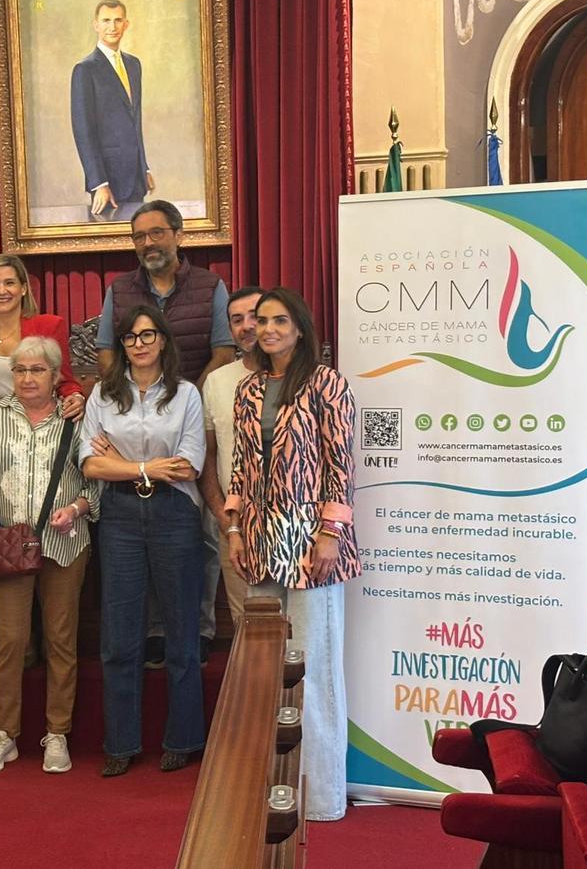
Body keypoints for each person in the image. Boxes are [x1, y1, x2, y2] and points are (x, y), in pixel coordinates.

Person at [224, 287, 360, 822]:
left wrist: (331, 532)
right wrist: (233, 526)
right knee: (268, 668)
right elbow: (239, 464)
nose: (269, 329)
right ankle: (275, 787)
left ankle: (322, 795)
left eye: (280, 320)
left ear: (300, 328)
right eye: (261, 321)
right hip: (258, 540)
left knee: (313, 664)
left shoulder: (328, 384)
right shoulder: (248, 389)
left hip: (310, 542)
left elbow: (341, 466)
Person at [96, 199, 234, 670]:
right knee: (143, 532)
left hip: (195, 414)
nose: (147, 244)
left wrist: (179, 401)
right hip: (134, 420)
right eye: (138, 237)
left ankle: (198, 628)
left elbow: (223, 350)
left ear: (177, 235)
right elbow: (106, 354)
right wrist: (133, 396)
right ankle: (155, 631)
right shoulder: (120, 289)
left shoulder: (210, 286)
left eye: (156, 234)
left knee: (204, 533)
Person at [80, 305, 207, 776]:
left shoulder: (186, 395)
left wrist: (125, 460)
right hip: (119, 515)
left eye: (147, 334)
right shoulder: (103, 396)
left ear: (163, 341)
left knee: (181, 633)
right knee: (119, 636)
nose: (139, 343)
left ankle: (184, 737)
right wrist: (148, 467)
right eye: (130, 337)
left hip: (175, 513)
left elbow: (188, 466)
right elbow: (91, 465)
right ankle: (121, 741)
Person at [0, 336, 98, 775]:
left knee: (61, 639)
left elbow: (94, 481)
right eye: (20, 370)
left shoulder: (77, 417)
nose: (27, 378)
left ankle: (56, 733)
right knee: (11, 642)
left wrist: (77, 508)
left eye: (37, 370)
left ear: (56, 375)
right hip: (9, 545)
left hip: (66, 542)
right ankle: (4, 733)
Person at [198, 286, 265, 641]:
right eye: (237, 320)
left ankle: (294, 700)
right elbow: (208, 456)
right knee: (247, 630)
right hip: (235, 527)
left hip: (294, 529)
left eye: (255, 315)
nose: (247, 326)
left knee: (296, 635)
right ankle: (257, 699)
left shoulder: (309, 379)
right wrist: (223, 518)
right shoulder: (218, 382)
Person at [0, 252, 85, 420]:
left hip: (39, 420)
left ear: (23, 288)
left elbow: (65, 381)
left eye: (10, 283)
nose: (1, 291)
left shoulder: (49, 326)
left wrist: (76, 397)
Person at [70, 0, 152, 216]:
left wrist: (144, 167)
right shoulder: (85, 70)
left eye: (118, 20)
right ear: (96, 25)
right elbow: (83, 131)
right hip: (108, 182)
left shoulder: (134, 65)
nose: (112, 27)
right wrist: (99, 183)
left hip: (135, 177)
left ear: (126, 24)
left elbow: (135, 122)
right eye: (106, 20)